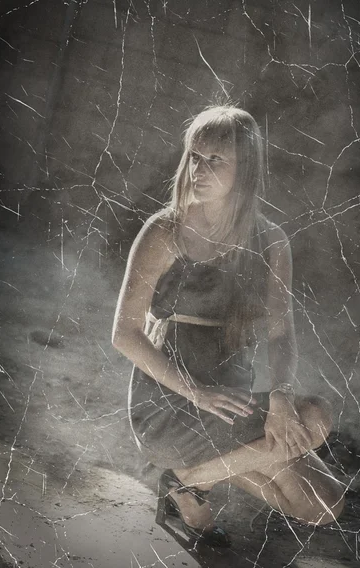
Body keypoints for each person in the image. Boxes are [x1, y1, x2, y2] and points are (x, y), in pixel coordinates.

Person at [112, 105, 345, 547]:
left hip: (228, 403)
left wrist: (279, 398)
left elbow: (282, 332)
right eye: (194, 156)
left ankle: (189, 480)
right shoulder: (164, 230)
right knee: (315, 416)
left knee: (323, 505)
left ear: (247, 170)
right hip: (171, 403)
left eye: (216, 159)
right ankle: (193, 478)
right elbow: (123, 332)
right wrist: (195, 391)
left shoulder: (272, 240)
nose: (198, 169)